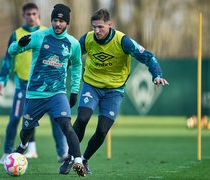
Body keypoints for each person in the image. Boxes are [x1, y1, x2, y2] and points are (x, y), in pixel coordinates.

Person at [59, 8, 170, 175]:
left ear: (110, 25)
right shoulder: (87, 39)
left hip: (114, 90)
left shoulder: (123, 41)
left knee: (103, 130)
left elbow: (148, 56)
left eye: (101, 27)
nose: (97, 31)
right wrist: (59, 70)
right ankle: (71, 158)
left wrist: (157, 75)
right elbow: (73, 58)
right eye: (94, 27)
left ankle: (85, 159)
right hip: (92, 86)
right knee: (82, 118)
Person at [9, 4, 87, 177]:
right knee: (26, 131)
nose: (58, 24)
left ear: (67, 23)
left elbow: (76, 66)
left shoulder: (73, 44)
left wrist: (74, 91)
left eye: (61, 21)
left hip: (57, 94)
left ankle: (78, 161)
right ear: (51, 20)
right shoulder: (39, 36)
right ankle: (23, 145)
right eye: (55, 20)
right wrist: (18, 45)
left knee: (66, 125)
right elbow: (12, 50)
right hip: (35, 94)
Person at [0, 2, 68, 164]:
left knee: (57, 119)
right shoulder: (16, 34)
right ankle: (7, 153)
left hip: (46, 86)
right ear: (24, 16)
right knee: (15, 118)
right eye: (28, 14)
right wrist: (2, 80)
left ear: (39, 16)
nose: (31, 17)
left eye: (34, 14)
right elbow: (9, 58)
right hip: (23, 85)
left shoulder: (47, 33)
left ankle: (62, 153)